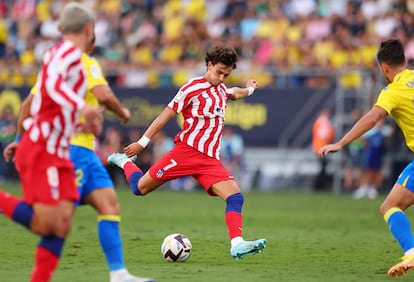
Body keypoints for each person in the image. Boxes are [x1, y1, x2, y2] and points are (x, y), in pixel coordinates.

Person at [4, 35, 154, 282]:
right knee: (51, 224)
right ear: (90, 43)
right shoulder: (87, 63)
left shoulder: (53, 66)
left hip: (86, 154)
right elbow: (104, 95)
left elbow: (27, 107)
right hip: (71, 152)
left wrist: (20, 141)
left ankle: (118, 273)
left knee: (109, 205)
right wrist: (122, 112)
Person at [107, 43, 267, 260]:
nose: (221, 78)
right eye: (219, 72)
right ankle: (125, 161)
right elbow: (165, 115)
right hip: (185, 153)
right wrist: (142, 143)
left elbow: (235, 93)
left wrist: (250, 88)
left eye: (226, 75)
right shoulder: (191, 88)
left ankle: (237, 244)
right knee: (139, 189)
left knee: (236, 197)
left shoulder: (221, 89)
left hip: (209, 160)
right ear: (209, 65)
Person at [0, 3, 101, 282]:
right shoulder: (66, 54)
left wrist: (84, 122)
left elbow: (52, 104)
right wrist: (82, 106)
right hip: (43, 149)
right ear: (89, 30)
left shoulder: (69, 59)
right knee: (46, 223)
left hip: (58, 151)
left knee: (63, 223)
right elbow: (54, 89)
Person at [318, 38, 414, 277]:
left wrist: (341, 142)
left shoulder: (392, 91)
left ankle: (412, 252)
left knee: (390, 206)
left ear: (384, 68)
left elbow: (372, 118)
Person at [353, 119, 392, 199]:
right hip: (369, 154)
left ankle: (372, 188)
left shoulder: (384, 132)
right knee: (366, 170)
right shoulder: (370, 132)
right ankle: (363, 187)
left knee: (376, 171)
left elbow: (389, 135)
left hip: (379, 155)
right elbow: (362, 139)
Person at [312, 108, 335, 190]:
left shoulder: (322, 122)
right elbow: (325, 135)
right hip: (320, 147)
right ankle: (318, 185)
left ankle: (320, 185)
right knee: (323, 166)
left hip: (322, 147)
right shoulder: (321, 122)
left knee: (324, 166)